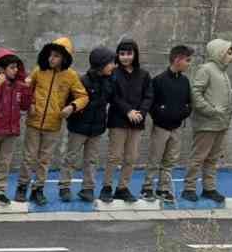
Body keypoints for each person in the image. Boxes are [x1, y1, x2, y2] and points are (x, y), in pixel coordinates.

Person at [17, 36, 87, 206]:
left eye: (56, 56)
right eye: (50, 55)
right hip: (34, 122)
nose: (51, 59)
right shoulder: (39, 71)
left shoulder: (71, 76)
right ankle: (22, 187)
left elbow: (83, 96)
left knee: (44, 160)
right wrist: (30, 104)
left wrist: (71, 107)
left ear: (64, 58)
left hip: (54, 125)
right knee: (28, 157)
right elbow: (26, 88)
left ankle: (38, 189)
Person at [187, 38, 232, 204]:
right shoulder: (206, 69)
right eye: (229, 52)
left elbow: (224, 95)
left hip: (220, 124)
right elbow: (196, 94)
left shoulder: (222, 72)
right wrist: (211, 111)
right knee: (198, 158)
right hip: (206, 124)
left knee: (212, 159)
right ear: (219, 52)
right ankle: (189, 188)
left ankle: (209, 189)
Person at [59, 47, 114, 203]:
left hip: (97, 129)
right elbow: (72, 102)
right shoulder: (82, 81)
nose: (113, 66)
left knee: (91, 160)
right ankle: (64, 186)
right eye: (110, 63)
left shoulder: (109, 81)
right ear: (101, 64)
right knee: (70, 157)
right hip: (78, 128)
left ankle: (87, 188)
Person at [142, 45, 194, 202]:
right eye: (187, 60)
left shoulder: (185, 81)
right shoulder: (158, 80)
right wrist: (161, 115)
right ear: (177, 59)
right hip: (160, 127)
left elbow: (189, 103)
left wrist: (183, 114)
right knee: (154, 158)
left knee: (170, 160)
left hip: (177, 128)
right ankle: (147, 188)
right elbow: (151, 103)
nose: (189, 63)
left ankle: (163, 189)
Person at [103, 38, 151, 203]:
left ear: (135, 54)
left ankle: (122, 188)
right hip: (118, 120)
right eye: (122, 53)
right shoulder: (113, 73)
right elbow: (113, 96)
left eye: (129, 53)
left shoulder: (144, 74)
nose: (125, 57)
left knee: (131, 157)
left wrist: (140, 113)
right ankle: (107, 187)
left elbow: (148, 96)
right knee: (114, 156)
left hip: (137, 122)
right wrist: (128, 111)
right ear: (117, 55)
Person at [0, 48, 31, 205]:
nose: (16, 71)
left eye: (17, 67)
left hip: (11, 131)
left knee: (4, 163)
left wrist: (28, 88)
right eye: (12, 67)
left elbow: (25, 106)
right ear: (1, 69)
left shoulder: (19, 86)